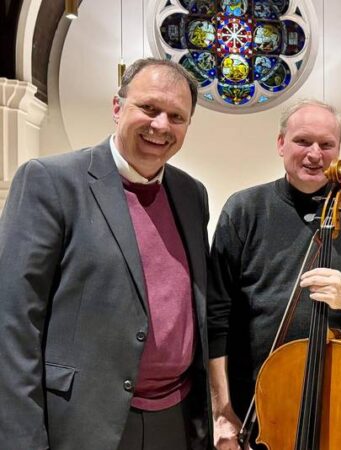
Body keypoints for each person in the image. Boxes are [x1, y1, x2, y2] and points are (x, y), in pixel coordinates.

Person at [0, 58, 212, 450]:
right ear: (118, 107)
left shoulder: (190, 194)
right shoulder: (51, 181)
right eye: (148, 108)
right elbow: (12, 322)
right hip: (84, 419)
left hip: (177, 417)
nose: (161, 125)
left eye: (176, 116)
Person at [207, 99, 341, 450]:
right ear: (281, 144)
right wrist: (222, 411)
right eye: (302, 141)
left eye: (327, 145)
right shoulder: (245, 209)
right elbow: (215, 317)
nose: (315, 154)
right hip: (258, 411)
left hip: (338, 406)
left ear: (338, 151)